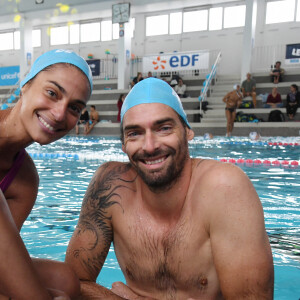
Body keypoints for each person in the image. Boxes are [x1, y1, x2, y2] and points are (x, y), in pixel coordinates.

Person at [65, 77, 274, 299]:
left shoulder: (224, 188)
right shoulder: (110, 185)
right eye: (134, 133)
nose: (150, 146)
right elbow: (71, 283)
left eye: (164, 128)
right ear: (124, 144)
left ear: (188, 131)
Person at [0, 49, 93, 299]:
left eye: (74, 108)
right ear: (25, 86)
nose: (60, 114)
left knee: (63, 281)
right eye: (52, 93)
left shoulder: (25, 180)